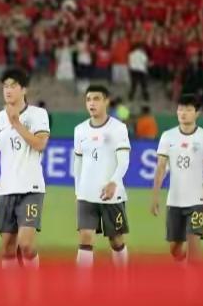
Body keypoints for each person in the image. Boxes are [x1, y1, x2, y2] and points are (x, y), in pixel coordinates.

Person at [0, 68, 50, 269]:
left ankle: (34, 283)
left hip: (31, 188)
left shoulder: (38, 114)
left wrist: (17, 124)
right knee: (7, 248)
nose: (8, 90)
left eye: (13, 86)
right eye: (5, 86)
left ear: (24, 89)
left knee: (26, 245)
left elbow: (40, 144)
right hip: (6, 189)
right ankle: (12, 287)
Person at [151, 94, 203, 263]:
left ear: (197, 113)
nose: (183, 113)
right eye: (180, 109)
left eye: (188, 109)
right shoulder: (168, 136)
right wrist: (155, 197)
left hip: (197, 200)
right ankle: (183, 263)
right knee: (175, 248)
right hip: (174, 200)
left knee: (193, 242)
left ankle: (193, 275)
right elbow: (160, 167)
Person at [73, 85, 131, 268]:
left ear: (106, 101)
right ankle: (82, 284)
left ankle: (122, 278)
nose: (92, 103)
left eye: (96, 99)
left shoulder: (118, 128)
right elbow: (78, 162)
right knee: (85, 237)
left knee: (116, 240)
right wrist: (78, 192)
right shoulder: (80, 130)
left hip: (111, 195)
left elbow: (124, 161)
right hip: (86, 194)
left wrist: (114, 182)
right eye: (88, 99)